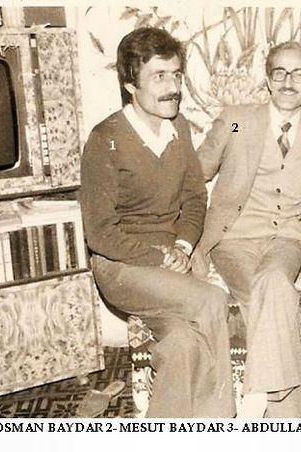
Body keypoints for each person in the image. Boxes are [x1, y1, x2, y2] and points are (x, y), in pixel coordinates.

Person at [80, 27, 234, 418]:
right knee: (212, 299)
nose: (173, 87)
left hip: (168, 263)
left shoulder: (178, 127)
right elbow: (99, 234)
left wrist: (182, 247)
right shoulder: (105, 140)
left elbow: (195, 198)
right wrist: (160, 257)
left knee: (182, 341)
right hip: (121, 267)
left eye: (177, 75)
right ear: (131, 84)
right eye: (159, 76)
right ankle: (221, 421)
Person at [192, 41, 301, 417]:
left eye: (298, 74)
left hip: (287, 238)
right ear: (268, 79)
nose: (288, 82)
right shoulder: (237, 120)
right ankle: (290, 420)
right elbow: (196, 173)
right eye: (279, 72)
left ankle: (255, 397)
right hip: (233, 238)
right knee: (275, 293)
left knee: (273, 281)